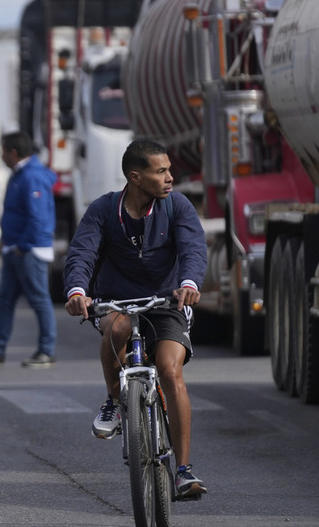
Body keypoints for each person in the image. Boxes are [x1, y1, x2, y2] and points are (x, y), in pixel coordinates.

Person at [62, 139, 208, 500]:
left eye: (169, 170)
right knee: (118, 327)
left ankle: (184, 471)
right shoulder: (103, 210)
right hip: (117, 300)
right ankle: (115, 398)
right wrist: (77, 291)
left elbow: (193, 248)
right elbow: (82, 252)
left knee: (170, 370)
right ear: (136, 177)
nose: (170, 177)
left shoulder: (177, 206)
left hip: (166, 300)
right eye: (161, 172)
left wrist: (189, 283)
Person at [0, 131, 58, 368]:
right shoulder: (20, 174)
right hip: (15, 248)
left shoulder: (32, 176)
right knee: (5, 299)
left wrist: (23, 246)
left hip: (28, 250)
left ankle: (46, 351)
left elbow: (37, 217)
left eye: (4, 151)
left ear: (13, 153)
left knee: (39, 300)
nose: (3, 157)